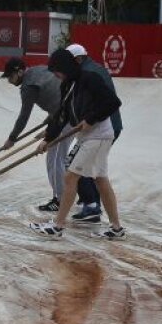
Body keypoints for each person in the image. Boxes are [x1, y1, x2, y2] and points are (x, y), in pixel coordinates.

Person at [30, 48, 125, 239]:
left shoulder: (90, 79)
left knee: (70, 176)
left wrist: (90, 119)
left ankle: (57, 226)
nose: (55, 75)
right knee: (100, 179)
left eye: (56, 70)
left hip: (99, 134)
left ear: (65, 67)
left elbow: (113, 102)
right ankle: (116, 229)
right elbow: (62, 115)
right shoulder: (67, 85)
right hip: (87, 137)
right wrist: (48, 139)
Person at [65, 43, 124, 224]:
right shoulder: (93, 69)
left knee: (75, 165)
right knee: (94, 171)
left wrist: (89, 120)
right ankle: (93, 204)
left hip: (101, 126)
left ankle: (91, 205)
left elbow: (106, 102)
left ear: (77, 59)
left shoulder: (89, 73)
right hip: (103, 125)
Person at [0, 57, 66, 211]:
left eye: (10, 77)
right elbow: (55, 94)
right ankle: (71, 196)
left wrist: (12, 138)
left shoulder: (28, 86)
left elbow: (24, 116)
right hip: (65, 112)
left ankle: (60, 200)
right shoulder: (40, 69)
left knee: (55, 160)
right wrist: (50, 120)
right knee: (60, 160)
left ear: (20, 72)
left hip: (65, 117)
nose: (9, 81)